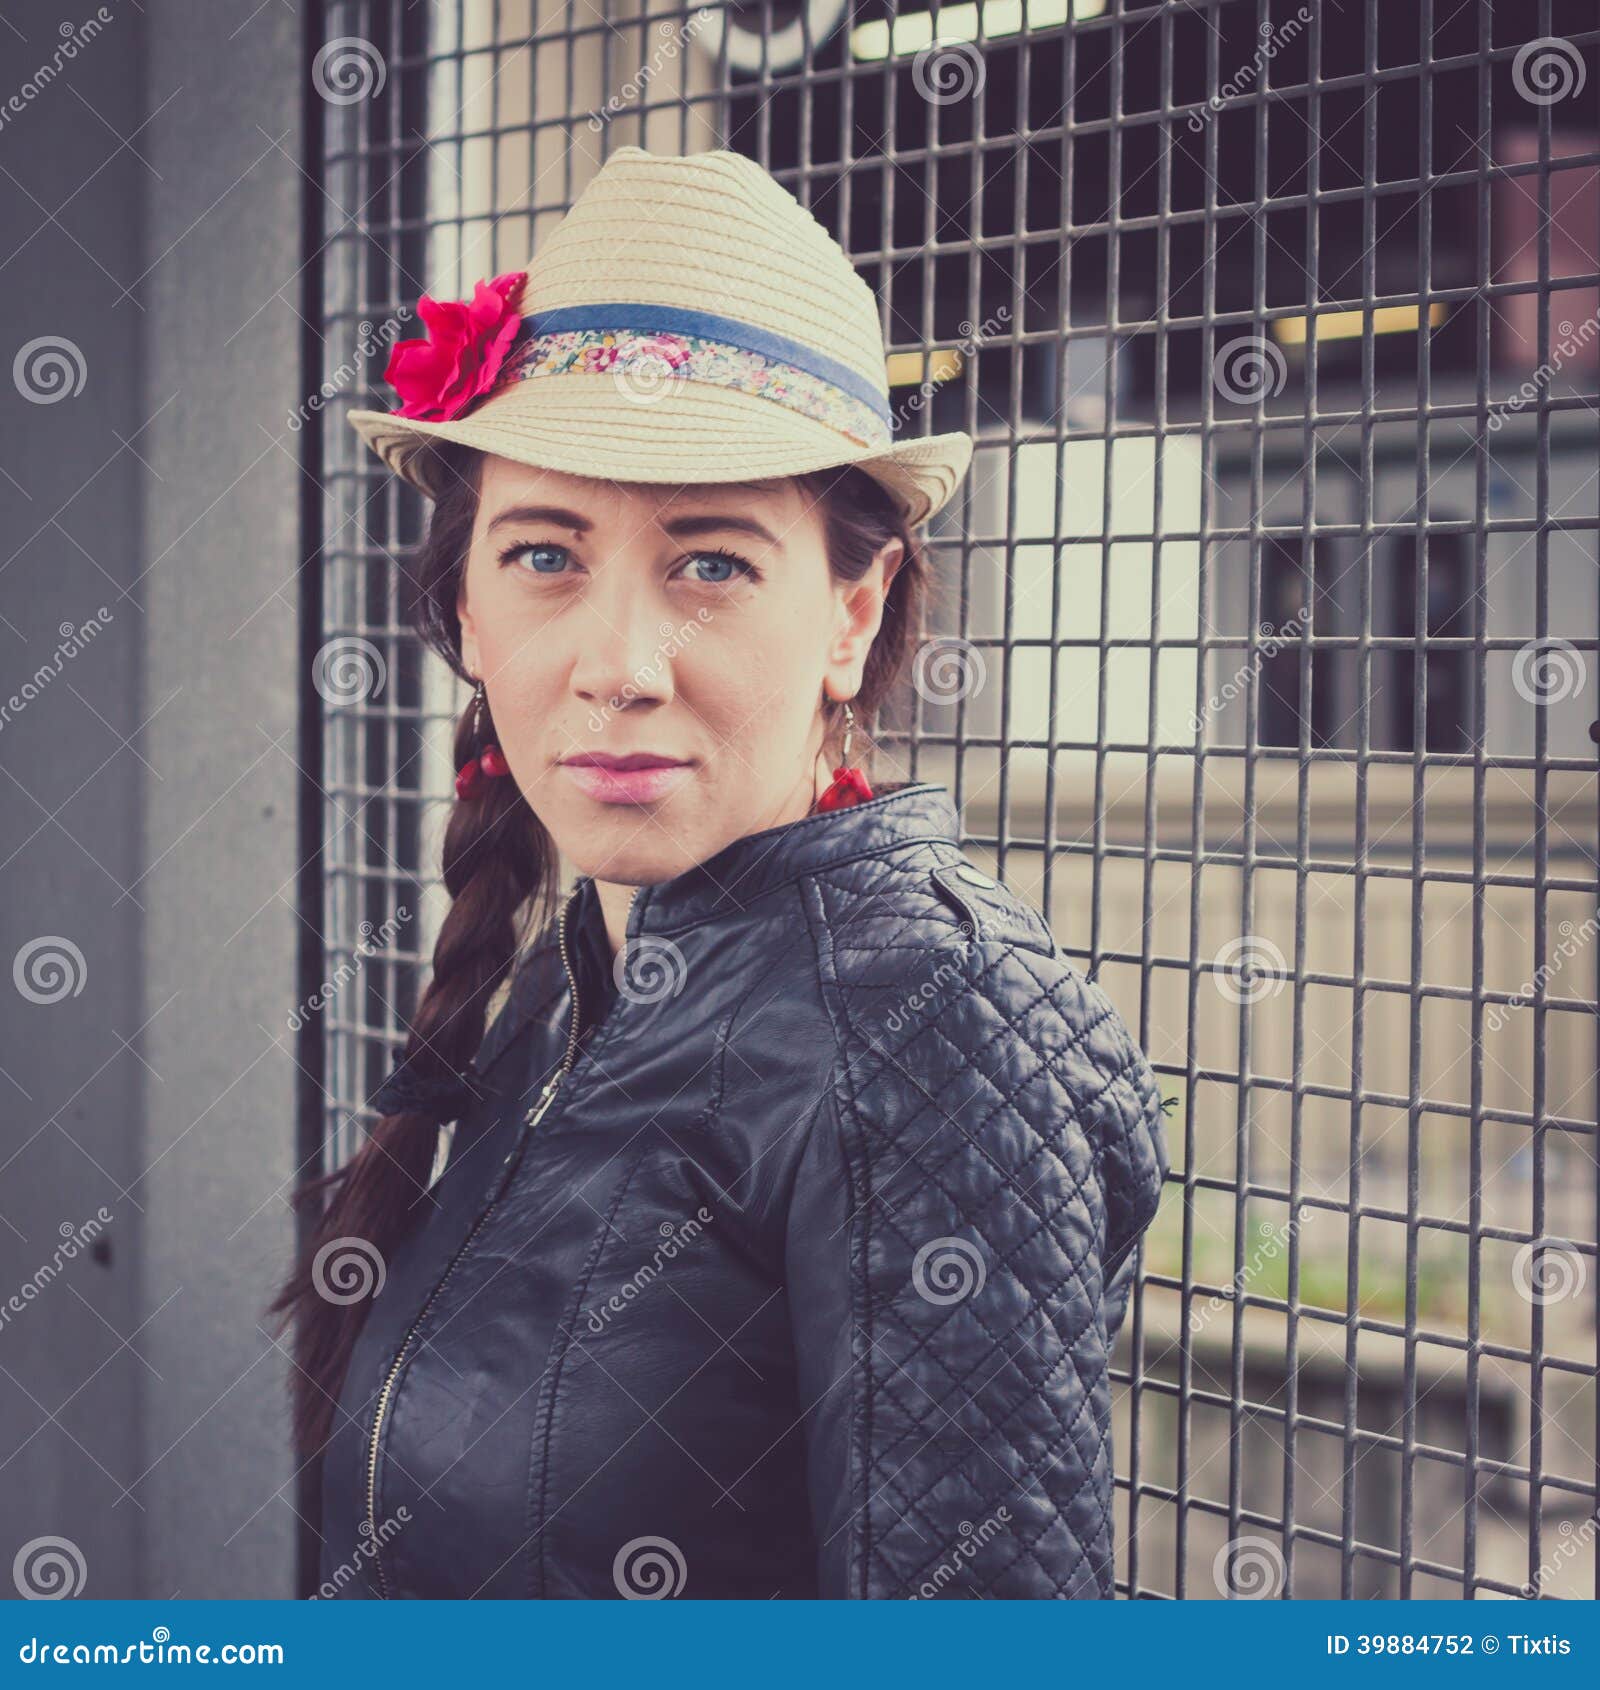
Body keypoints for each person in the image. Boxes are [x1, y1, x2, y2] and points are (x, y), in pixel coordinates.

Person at [270, 145, 1168, 1600]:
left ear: (851, 614)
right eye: (547, 552)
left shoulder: (924, 1028)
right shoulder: (584, 987)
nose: (621, 666)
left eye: (713, 563)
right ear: (468, 614)